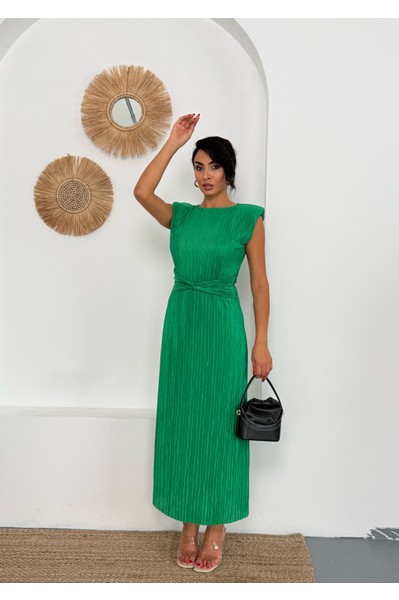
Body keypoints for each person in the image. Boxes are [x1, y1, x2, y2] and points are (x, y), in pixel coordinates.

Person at [133, 113, 272, 574]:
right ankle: (188, 522)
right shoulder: (183, 216)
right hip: (182, 325)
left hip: (223, 327)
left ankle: (217, 526)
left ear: (228, 171)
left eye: (213, 166)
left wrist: (261, 343)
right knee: (183, 419)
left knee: (219, 423)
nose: (206, 174)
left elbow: (259, 286)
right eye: (198, 166)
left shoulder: (248, 219)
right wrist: (174, 142)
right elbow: (142, 193)